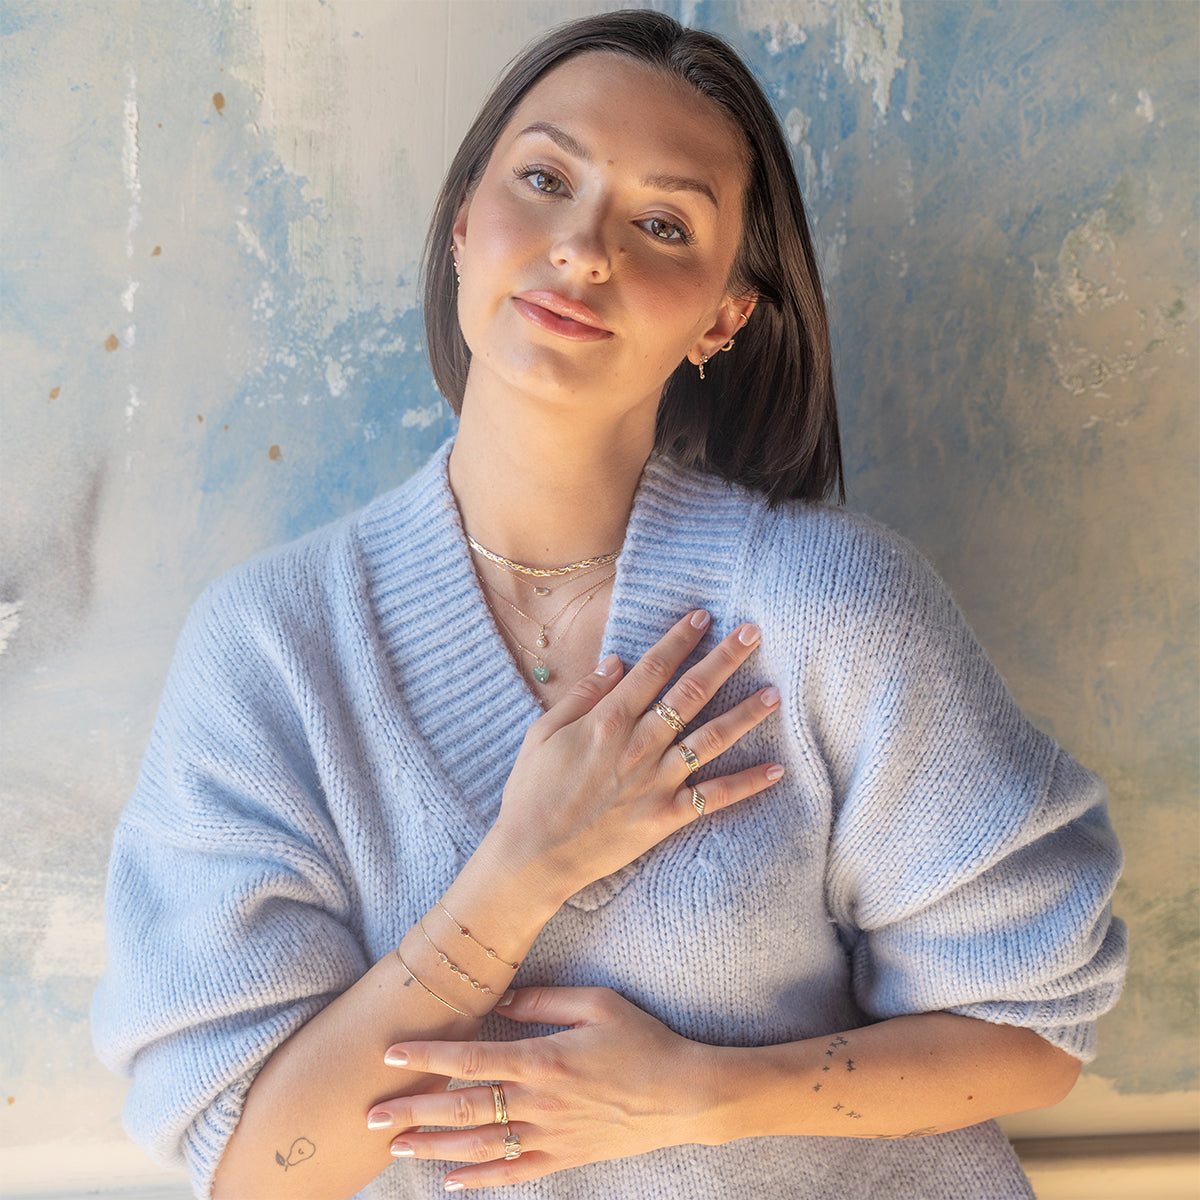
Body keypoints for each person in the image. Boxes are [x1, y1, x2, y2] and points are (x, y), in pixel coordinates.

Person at [92, 10, 1126, 1200]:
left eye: (661, 223)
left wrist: (700, 1095)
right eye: (544, 179)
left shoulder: (835, 608)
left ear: (724, 316)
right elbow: (256, 1166)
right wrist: (522, 870)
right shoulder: (271, 650)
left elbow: (1035, 1032)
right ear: (465, 223)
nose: (584, 249)